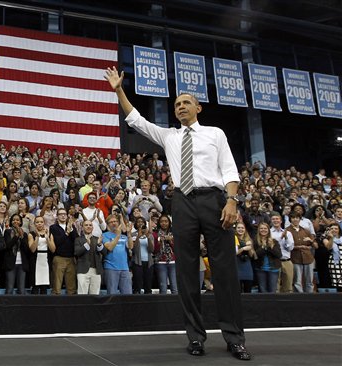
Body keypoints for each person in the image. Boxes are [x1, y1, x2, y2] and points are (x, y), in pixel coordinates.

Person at [105, 67, 250, 360]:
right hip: (182, 202)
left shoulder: (215, 134)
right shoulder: (169, 136)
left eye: (186, 102)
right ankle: (195, 337)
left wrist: (232, 201)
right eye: (176, 105)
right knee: (186, 273)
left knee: (224, 272)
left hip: (215, 200)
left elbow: (230, 170)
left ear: (198, 108)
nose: (180, 107)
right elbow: (136, 119)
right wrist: (119, 90)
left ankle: (234, 338)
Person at [101, 214, 133, 294]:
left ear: (119, 223)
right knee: (112, 294)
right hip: (111, 268)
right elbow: (110, 247)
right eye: (111, 222)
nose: (114, 223)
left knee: (127, 294)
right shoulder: (104, 235)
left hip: (124, 268)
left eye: (115, 221)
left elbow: (130, 246)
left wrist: (129, 233)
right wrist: (118, 235)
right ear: (108, 225)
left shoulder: (124, 236)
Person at [286, 211, 318, 293]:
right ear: (290, 219)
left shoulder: (306, 231)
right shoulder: (287, 231)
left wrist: (311, 241)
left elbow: (316, 246)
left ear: (300, 219)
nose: (295, 219)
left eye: (297, 218)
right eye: (293, 218)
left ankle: (310, 298)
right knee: (297, 281)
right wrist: (299, 247)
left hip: (308, 258)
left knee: (309, 281)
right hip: (295, 258)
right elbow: (286, 246)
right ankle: (299, 298)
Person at [49, 208, 78, 295]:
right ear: (57, 217)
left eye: (64, 214)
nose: (63, 215)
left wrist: (71, 230)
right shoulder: (53, 227)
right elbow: (57, 242)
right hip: (59, 258)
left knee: (71, 286)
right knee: (57, 285)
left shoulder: (72, 226)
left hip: (71, 259)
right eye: (60, 214)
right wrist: (66, 233)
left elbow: (76, 240)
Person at [3, 213, 33, 295]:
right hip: (10, 263)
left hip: (22, 264)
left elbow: (26, 249)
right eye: (13, 220)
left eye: (17, 220)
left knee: (22, 290)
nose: (15, 221)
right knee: (9, 289)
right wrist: (16, 236)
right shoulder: (7, 232)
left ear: (20, 222)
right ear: (11, 222)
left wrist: (22, 236)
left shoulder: (25, 234)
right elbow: (8, 246)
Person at [74, 220, 105, 295]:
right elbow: (77, 253)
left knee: (95, 295)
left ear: (93, 227)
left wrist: (100, 245)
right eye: (86, 225)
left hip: (96, 270)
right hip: (83, 270)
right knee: (82, 295)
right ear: (82, 227)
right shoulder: (78, 239)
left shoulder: (97, 239)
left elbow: (105, 253)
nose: (88, 226)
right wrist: (87, 244)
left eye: (90, 225)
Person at [269, 212, 295, 293]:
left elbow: (290, 248)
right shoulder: (269, 233)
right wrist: (281, 238)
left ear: (281, 221)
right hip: (274, 261)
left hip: (286, 261)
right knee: (275, 287)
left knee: (288, 286)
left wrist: (286, 237)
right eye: (273, 219)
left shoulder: (288, 233)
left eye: (277, 219)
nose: (275, 220)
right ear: (271, 221)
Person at [253, 223, 282, 293]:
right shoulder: (255, 241)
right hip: (260, 269)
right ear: (258, 230)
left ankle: (272, 304)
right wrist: (263, 246)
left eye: (265, 228)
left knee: (272, 290)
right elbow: (255, 255)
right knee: (263, 290)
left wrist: (271, 246)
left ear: (268, 230)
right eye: (261, 228)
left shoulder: (274, 241)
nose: (263, 230)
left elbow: (279, 255)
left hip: (273, 269)